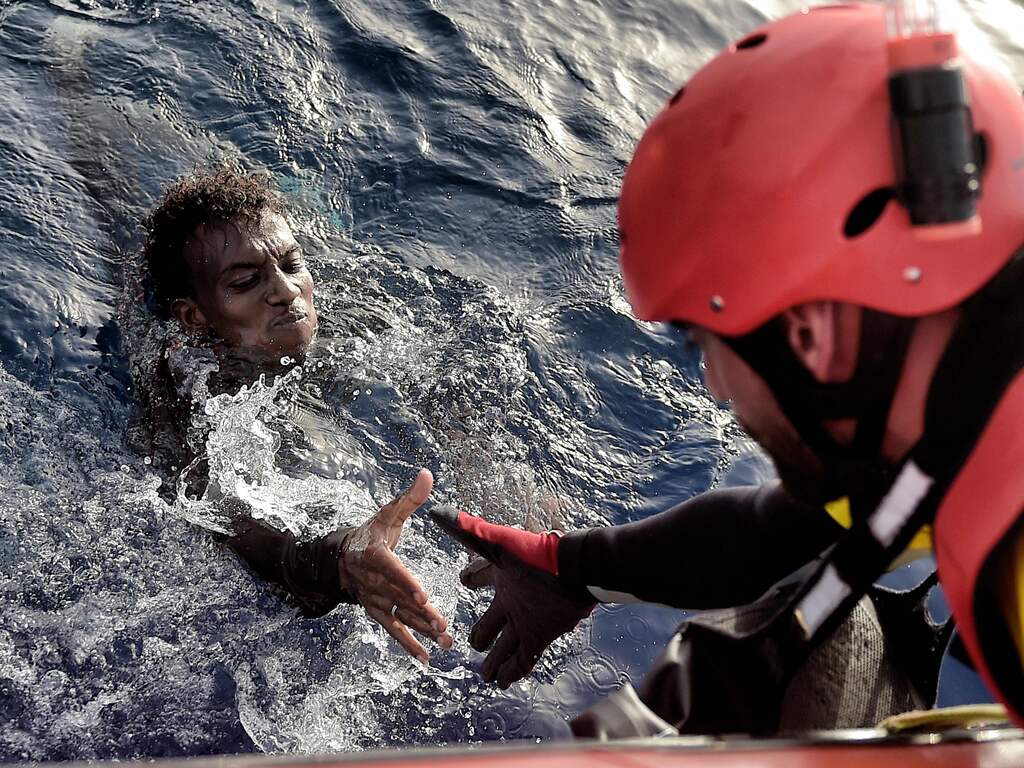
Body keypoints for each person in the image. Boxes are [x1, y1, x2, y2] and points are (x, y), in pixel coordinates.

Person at [433, 2, 1024, 735]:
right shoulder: (960, 418)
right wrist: (565, 566)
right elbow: (766, 535)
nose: (712, 383)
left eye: (701, 341)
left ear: (809, 335)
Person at [138, 167, 453, 664]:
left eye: (292, 263)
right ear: (195, 317)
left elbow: (446, 394)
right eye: (245, 281)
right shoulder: (190, 391)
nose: (285, 290)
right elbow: (223, 518)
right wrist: (337, 561)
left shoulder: (356, 323)